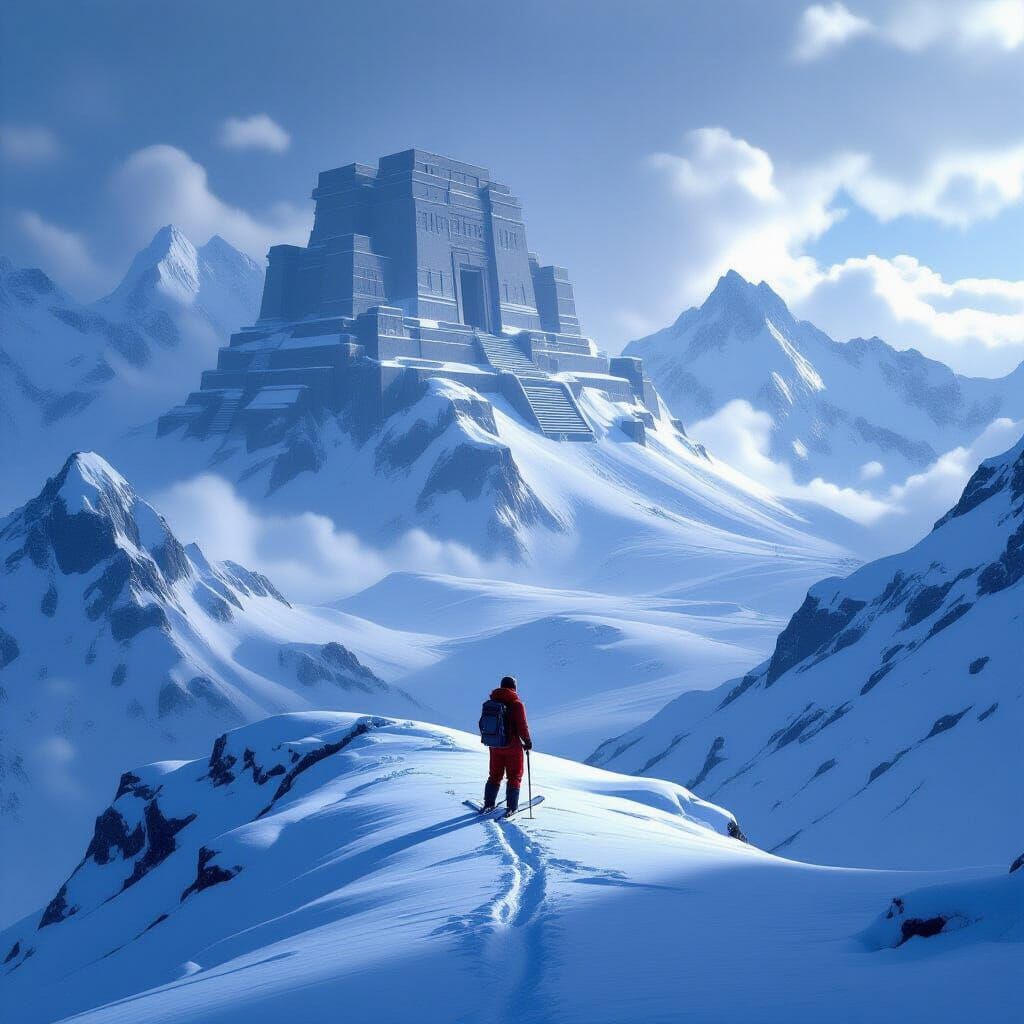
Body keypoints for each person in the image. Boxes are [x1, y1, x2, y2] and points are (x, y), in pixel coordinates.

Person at [481, 675, 532, 816]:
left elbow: (482, 724)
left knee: (494, 775)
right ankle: (512, 807)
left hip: (495, 745)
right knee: (514, 776)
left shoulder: (492, 702)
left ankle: (488, 804)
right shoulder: (516, 704)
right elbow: (522, 726)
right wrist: (527, 742)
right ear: (514, 687)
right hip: (512, 746)